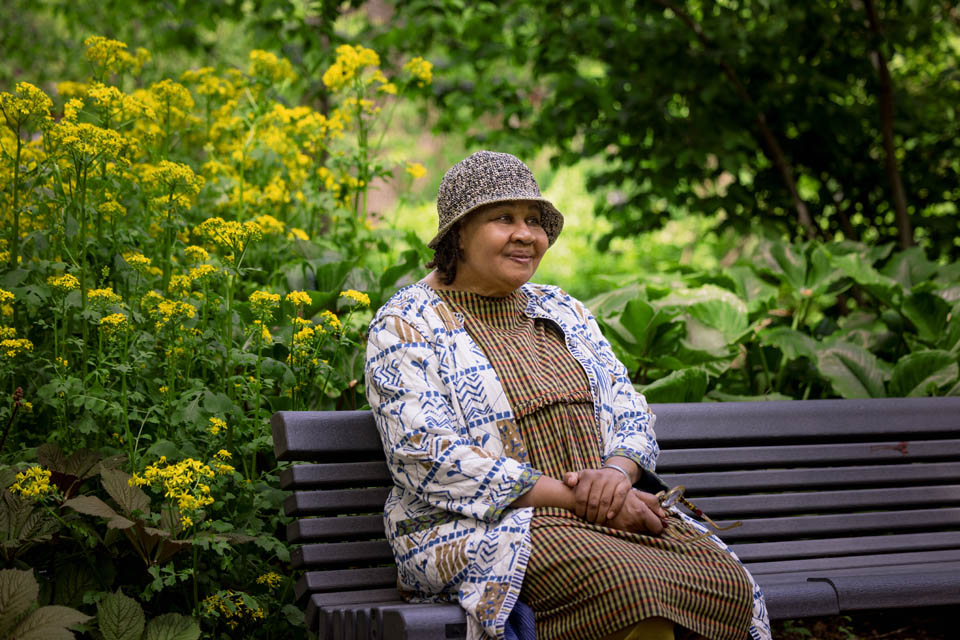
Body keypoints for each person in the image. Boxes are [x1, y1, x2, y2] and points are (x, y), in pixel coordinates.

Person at [365, 151, 771, 640]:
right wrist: (578, 500)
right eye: (503, 218)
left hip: (605, 512)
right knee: (630, 586)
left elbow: (628, 407)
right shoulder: (407, 323)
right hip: (483, 528)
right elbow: (425, 452)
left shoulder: (562, 309)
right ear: (458, 235)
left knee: (723, 580)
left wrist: (616, 475)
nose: (526, 234)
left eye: (534, 221)